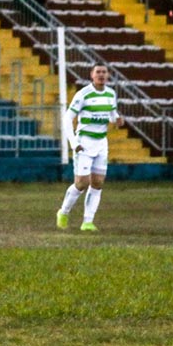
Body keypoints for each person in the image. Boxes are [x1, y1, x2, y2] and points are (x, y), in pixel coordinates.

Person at [56, 65, 124, 232]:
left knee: (98, 182)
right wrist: (73, 142)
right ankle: (63, 211)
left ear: (108, 75)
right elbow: (67, 118)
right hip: (84, 142)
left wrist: (117, 119)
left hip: (101, 143)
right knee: (81, 183)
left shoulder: (110, 94)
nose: (101, 75)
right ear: (92, 75)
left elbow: (112, 114)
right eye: (98, 72)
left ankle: (88, 222)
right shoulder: (83, 94)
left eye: (104, 72)